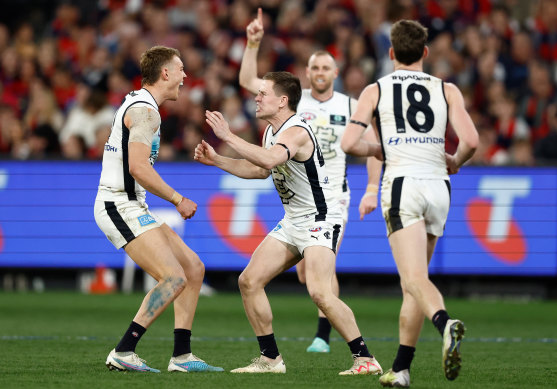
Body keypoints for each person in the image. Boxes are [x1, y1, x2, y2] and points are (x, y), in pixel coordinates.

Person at [195, 71, 383, 375]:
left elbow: (269, 161)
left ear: (283, 101)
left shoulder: (296, 131)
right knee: (249, 281)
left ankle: (365, 359)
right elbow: (259, 171)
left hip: (320, 219)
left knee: (320, 293)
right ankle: (271, 359)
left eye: (263, 93)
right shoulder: (272, 131)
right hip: (294, 220)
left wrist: (228, 136)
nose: (256, 97)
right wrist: (217, 160)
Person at [340, 20, 479, 387]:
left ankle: (444, 323)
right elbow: (471, 141)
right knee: (414, 284)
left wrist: (380, 148)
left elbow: (350, 143)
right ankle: (401, 369)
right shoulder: (446, 88)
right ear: (426, 53)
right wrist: (455, 161)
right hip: (439, 185)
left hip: (403, 184)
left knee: (414, 279)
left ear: (390, 54)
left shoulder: (376, 89)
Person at [239, 7, 383, 353]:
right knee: (306, 276)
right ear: (307, 73)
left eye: (325, 67)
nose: (320, 72)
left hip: (333, 199)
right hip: (299, 201)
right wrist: (252, 43)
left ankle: (327, 337)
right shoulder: (293, 105)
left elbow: (373, 148)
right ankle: (317, 336)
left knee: (318, 278)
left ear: (336, 72)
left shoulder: (350, 106)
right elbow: (247, 83)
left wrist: (373, 190)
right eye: (314, 67)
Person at [94, 46, 222, 373]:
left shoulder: (142, 105)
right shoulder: (146, 112)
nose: (185, 76)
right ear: (165, 73)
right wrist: (178, 199)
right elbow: (138, 167)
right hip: (118, 205)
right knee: (174, 276)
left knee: (193, 268)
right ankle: (124, 350)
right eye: (180, 69)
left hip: (132, 204)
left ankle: (182, 356)